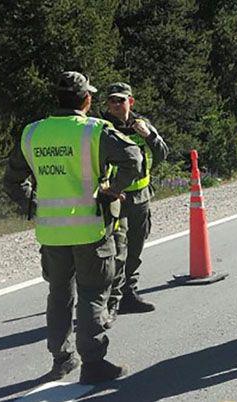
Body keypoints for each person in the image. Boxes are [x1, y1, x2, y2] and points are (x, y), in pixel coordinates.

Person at [3, 71, 142, 384]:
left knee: (59, 294)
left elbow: (12, 181)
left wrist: (34, 205)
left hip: (51, 232)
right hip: (90, 229)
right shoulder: (95, 130)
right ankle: (93, 363)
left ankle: (62, 359)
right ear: (87, 99)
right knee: (93, 294)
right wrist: (113, 188)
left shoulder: (33, 132)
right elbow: (134, 158)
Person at [101, 82, 168, 328]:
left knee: (136, 246)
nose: (116, 105)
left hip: (140, 196)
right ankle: (112, 300)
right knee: (117, 250)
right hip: (115, 199)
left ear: (131, 101)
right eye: (112, 101)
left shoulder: (143, 124)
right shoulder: (103, 128)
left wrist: (148, 136)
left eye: (121, 100)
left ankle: (130, 293)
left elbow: (162, 154)